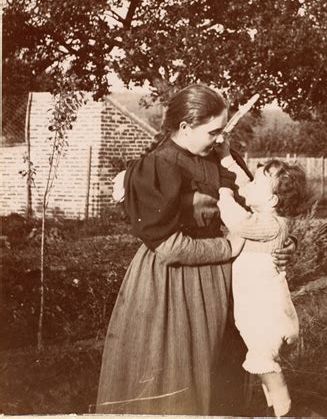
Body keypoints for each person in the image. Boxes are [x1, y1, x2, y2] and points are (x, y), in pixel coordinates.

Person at [95, 84, 297, 416]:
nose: (220, 139)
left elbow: (264, 211)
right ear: (185, 127)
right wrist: (230, 245)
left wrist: (284, 244)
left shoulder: (222, 160)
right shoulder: (157, 166)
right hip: (172, 287)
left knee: (221, 377)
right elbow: (168, 247)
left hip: (228, 285)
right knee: (174, 374)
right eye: (213, 131)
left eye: (223, 131)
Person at [216, 143, 306, 417]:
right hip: (259, 304)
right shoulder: (268, 212)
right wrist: (226, 157)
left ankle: (285, 411)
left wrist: (223, 193)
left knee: (265, 362)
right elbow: (245, 183)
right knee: (263, 362)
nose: (248, 183)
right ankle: (274, 410)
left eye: (258, 181)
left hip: (264, 309)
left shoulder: (270, 224)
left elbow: (237, 220)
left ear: (272, 201)